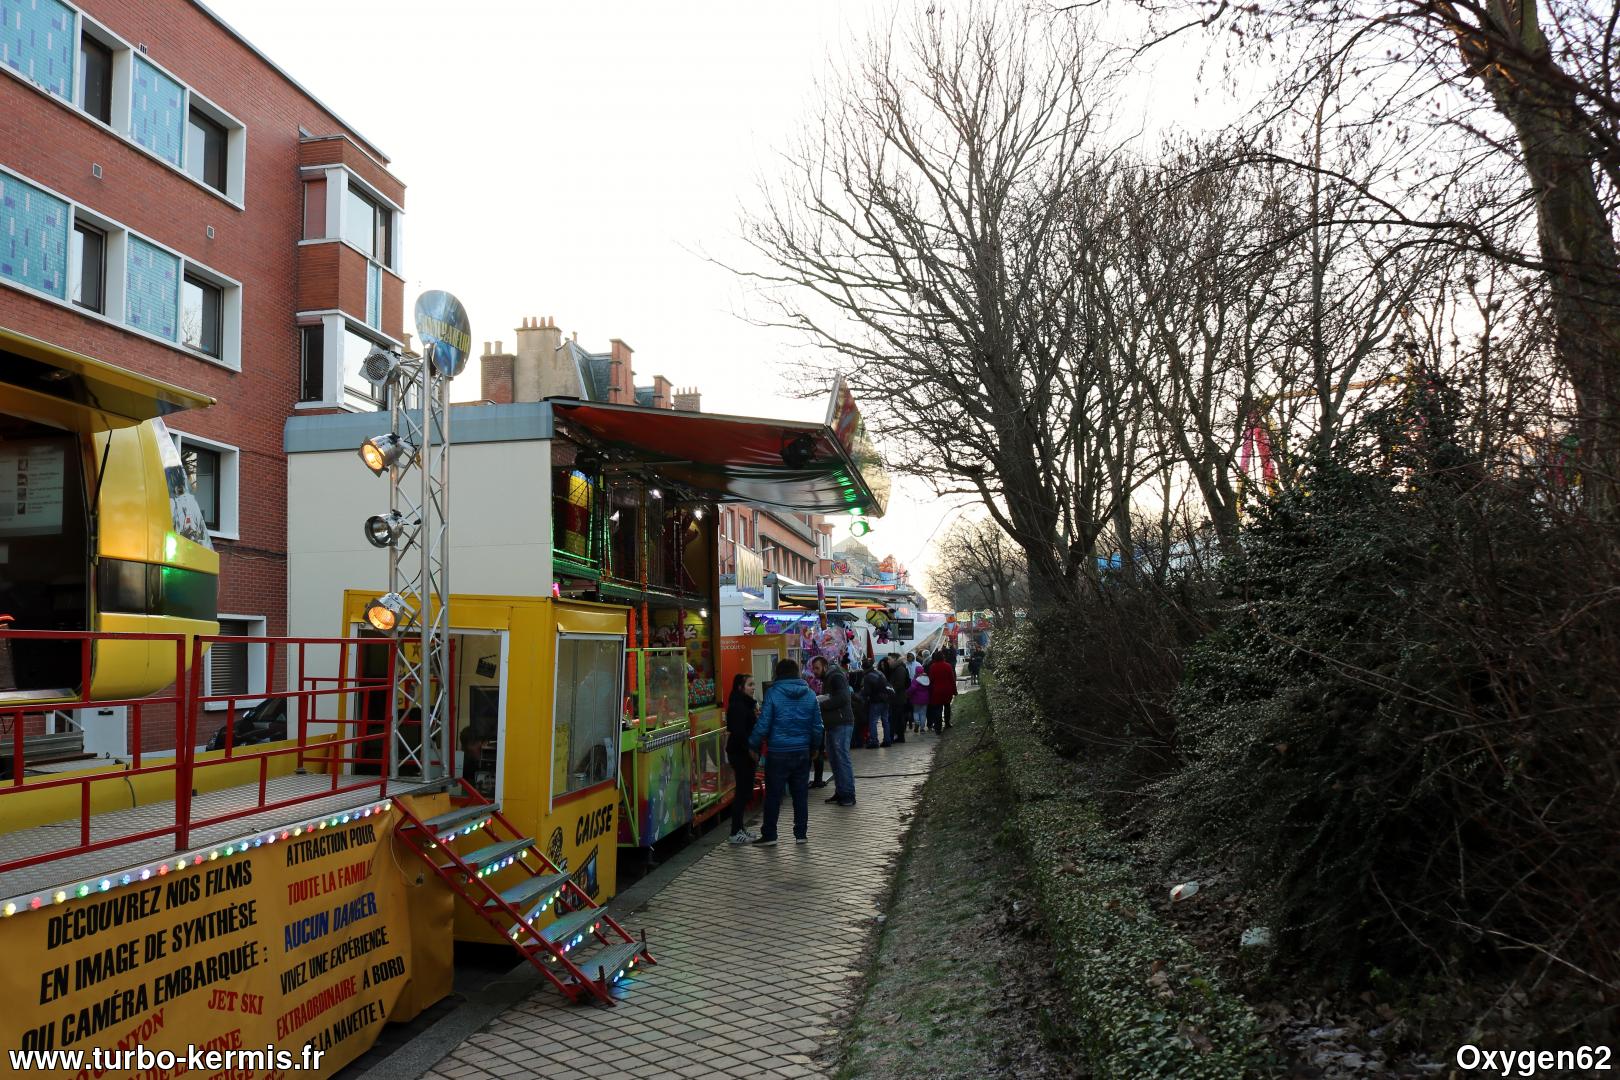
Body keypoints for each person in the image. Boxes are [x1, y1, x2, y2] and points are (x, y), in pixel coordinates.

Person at [748, 658, 823, 846]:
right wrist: (814, 748)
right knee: (800, 794)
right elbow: (817, 727)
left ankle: (770, 835)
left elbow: (763, 724)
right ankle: (801, 834)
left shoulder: (773, 693)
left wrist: (753, 745)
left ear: (778, 673)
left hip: (778, 752)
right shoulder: (810, 694)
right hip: (802, 751)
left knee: (773, 794)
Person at [810, 655, 856, 806]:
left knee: (841, 759)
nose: (814, 671)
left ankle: (848, 795)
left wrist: (821, 703)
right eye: (813, 669)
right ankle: (841, 791)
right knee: (835, 760)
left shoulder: (835, 676)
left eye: (817, 668)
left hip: (841, 723)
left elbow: (843, 698)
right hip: (832, 725)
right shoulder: (828, 679)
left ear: (825, 666)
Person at [725, 673, 760, 845]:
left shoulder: (746, 703)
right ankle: (735, 831)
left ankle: (740, 828)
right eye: (750, 685)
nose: (753, 688)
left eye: (753, 684)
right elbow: (739, 732)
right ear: (740, 687)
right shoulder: (738, 705)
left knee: (745, 791)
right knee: (742, 792)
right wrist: (750, 750)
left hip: (744, 752)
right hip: (740, 753)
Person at [926, 649, 959, 733]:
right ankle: (947, 723)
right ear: (943, 657)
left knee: (938, 709)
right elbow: (952, 679)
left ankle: (938, 727)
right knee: (947, 707)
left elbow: (931, 680)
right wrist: (955, 691)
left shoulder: (933, 667)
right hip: (947, 690)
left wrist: (929, 690)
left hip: (937, 691)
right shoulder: (948, 666)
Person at [861, 659, 890, 748]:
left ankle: (874, 741)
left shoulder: (868, 676)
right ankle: (887, 740)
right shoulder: (879, 673)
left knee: (873, 721)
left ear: (864, 667)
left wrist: (861, 693)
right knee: (885, 721)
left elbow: (867, 692)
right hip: (886, 699)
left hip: (876, 701)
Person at [885, 654, 911, 744]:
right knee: (898, 719)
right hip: (898, 697)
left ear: (895, 659)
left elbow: (899, 684)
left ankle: (895, 737)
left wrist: (890, 689)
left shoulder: (899, 669)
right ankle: (899, 737)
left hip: (898, 698)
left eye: (889, 659)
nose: (888, 661)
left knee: (896, 719)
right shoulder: (897, 668)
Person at [907, 661, 930, 734]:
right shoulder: (927, 679)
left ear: (916, 672)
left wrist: (907, 693)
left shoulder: (915, 680)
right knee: (923, 714)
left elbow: (912, 689)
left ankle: (917, 722)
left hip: (916, 699)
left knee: (916, 712)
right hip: (925, 700)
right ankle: (922, 728)